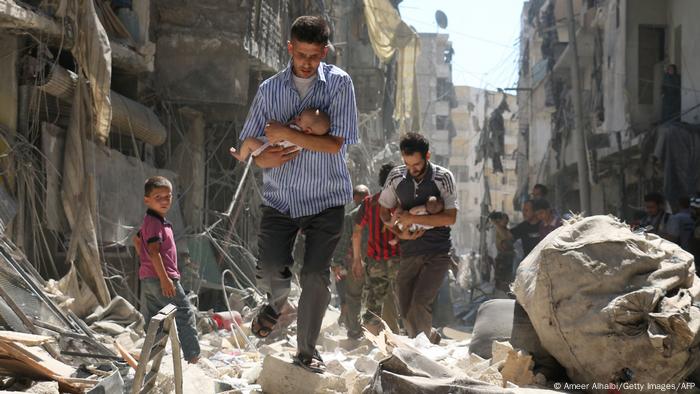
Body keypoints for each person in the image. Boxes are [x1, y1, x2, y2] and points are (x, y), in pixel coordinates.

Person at [238, 15, 358, 374]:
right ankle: (276, 305)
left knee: (314, 275)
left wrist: (284, 135)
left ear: (324, 52)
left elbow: (336, 144)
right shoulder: (269, 90)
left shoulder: (339, 84)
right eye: (300, 54)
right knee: (274, 267)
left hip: (326, 199)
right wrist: (264, 155)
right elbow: (252, 146)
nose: (306, 62)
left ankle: (306, 350)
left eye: (314, 56)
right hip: (281, 199)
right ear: (290, 48)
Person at [379, 133, 458, 344]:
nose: (412, 169)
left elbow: (450, 218)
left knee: (419, 303)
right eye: (407, 164)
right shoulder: (396, 177)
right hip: (409, 251)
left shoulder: (443, 177)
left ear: (427, 156)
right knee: (404, 306)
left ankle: (421, 352)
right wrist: (398, 231)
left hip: (438, 251)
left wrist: (411, 217)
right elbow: (384, 212)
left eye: (417, 164)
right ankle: (429, 336)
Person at [133, 176, 200, 364]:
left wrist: (145, 262)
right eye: (157, 197)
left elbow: (137, 240)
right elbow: (154, 252)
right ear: (147, 199)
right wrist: (164, 279)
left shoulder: (154, 221)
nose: (164, 201)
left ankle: (152, 359)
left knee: (157, 321)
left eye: (167, 196)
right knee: (184, 312)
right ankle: (193, 356)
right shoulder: (154, 222)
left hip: (149, 278)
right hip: (162, 278)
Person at [351, 163, 400, 335]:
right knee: (400, 301)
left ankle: (374, 342)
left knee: (374, 304)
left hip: (376, 262)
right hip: (398, 261)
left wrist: (357, 260)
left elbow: (356, 233)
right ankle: (398, 338)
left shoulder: (369, 203)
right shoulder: (402, 203)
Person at [331, 185, 369, 340]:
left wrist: (337, 262)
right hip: (376, 261)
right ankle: (375, 329)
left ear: (354, 198)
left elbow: (344, 241)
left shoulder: (350, 216)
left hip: (355, 261)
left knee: (353, 296)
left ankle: (354, 330)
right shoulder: (377, 212)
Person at [230, 108, 330, 162]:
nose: (296, 118)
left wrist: (278, 127)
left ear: (307, 131)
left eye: (300, 119)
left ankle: (241, 157)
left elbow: (278, 139)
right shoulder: (304, 142)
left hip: (267, 149)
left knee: (249, 141)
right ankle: (245, 154)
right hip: (268, 148)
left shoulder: (296, 135)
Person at [489, 212, 514, 293]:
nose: (506, 221)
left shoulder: (505, 229)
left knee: (507, 278)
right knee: (501, 278)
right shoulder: (498, 228)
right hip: (502, 257)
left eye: (507, 219)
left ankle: (505, 291)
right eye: (504, 219)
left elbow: (509, 239)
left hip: (508, 257)